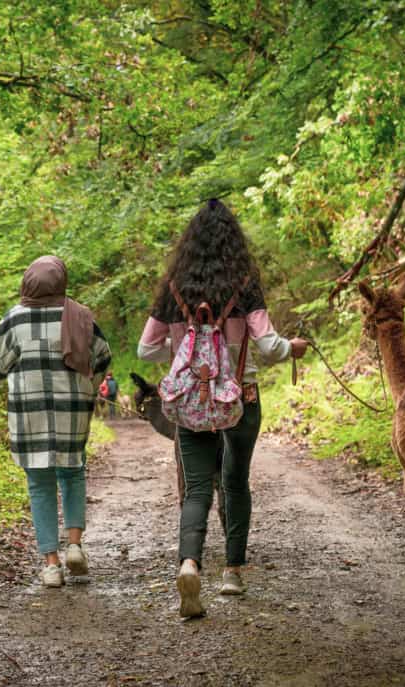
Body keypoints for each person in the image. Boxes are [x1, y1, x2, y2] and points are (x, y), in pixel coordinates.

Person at [136, 199, 307, 617]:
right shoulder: (244, 284)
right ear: (233, 240)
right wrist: (293, 349)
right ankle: (232, 572)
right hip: (240, 398)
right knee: (234, 482)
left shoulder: (176, 287)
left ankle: (190, 563)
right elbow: (269, 346)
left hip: (191, 404)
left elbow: (145, 349)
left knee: (196, 489)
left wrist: (182, 356)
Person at [0, 255, 112, 587]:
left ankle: (51, 565)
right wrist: (90, 387)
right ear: (61, 281)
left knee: (39, 484)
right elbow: (102, 357)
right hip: (72, 412)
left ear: (27, 282)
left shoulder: (14, 320)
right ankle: (74, 545)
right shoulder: (80, 315)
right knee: (73, 473)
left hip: (28, 415)